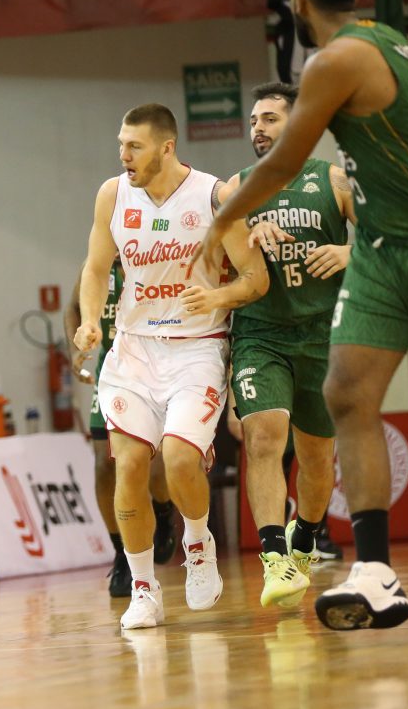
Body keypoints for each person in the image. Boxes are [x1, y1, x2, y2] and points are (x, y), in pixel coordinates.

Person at [199, 0, 408, 630]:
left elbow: (285, 163)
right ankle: (374, 571)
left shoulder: (338, 59)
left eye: (266, 117)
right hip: (383, 252)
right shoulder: (381, 41)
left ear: (298, 1)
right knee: (347, 393)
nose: (258, 128)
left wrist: (219, 219)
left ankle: (325, 545)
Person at [74, 104, 268, 631]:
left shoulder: (213, 196)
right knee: (129, 465)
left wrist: (218, 296)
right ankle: (143, 589)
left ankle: (198, 543)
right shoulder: (112, 194)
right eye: (121, 144)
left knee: (181, 459)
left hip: (196, 347)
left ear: (166, 147)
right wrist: (90, 320)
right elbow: (95, 268)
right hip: (134, 348)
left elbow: (256, 278)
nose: (123, 155)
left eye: (134, 146)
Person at [216, 80, 356, 610]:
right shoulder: (237, 188)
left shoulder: (333, 180)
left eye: (270, 118)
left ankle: (306, 537)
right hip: (261, 333)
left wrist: (347, 253)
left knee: (317, 458)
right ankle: (274, 557)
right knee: (264, 438)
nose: (258, 127)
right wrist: (243, 240)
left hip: (323, 334)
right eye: (254, 120)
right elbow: (213, 257)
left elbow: (383, 239)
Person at [65, 269, 178, 599]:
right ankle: (122, 554)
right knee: (104, 464)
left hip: (158, 365)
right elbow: (72, 307)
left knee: (157, 467)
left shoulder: (155, 252)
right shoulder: (98, 262)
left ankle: (163, 512)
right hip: (113, 369)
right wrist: (75, 350)